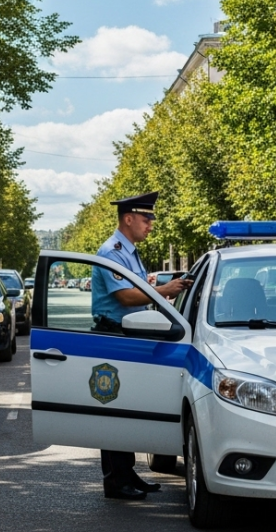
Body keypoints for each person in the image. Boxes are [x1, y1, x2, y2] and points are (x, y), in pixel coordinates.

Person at [91, 191, 192, 501]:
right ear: (129, 219)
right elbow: (125, 297)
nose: (151, 224)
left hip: (129, 336)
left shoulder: (129, 251)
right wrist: (163, 291)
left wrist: (152, 285)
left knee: (126, 408)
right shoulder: (112, 251)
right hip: (114, 337)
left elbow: (135, 287)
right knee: (114, 409)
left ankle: (126, 473)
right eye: (147, 219)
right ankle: (115, 480)